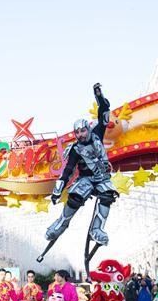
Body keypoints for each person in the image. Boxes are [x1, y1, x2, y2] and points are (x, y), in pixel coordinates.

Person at [45, 83, 117, 245]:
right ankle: (61, 225)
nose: (80, 134)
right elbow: (68, 170)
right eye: (77, 132)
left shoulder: (97, 133)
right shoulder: (75, 149)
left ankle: (97, 229)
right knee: (75, 198)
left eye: (82, 131)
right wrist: (57, 191)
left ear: (87, 129)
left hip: (102, 178)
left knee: (107, 195)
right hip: (86, 179)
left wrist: (99, 95)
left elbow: (104, 112)